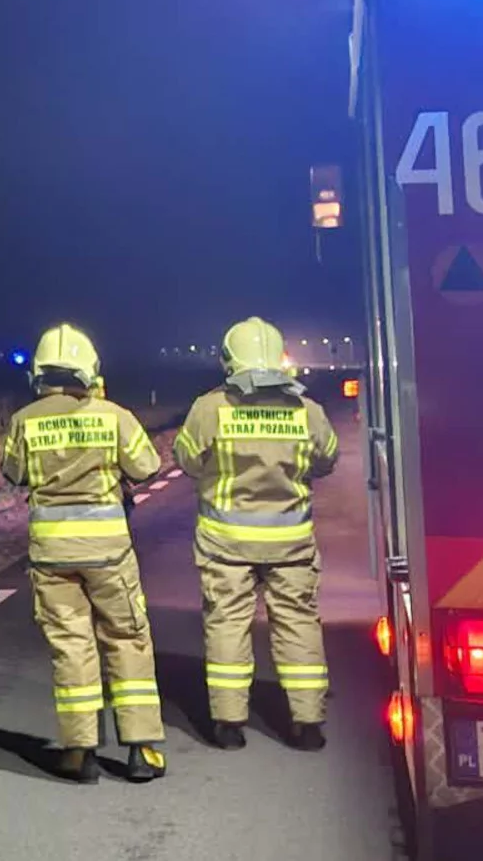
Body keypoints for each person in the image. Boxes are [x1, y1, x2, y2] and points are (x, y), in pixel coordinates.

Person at [1, 323, 167, 783]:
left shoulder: (24, 420)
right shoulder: (112, 415)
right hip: (109, 552)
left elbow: (13, 473)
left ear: (38, 373)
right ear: (89, 370)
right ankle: (141, 751)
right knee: (127, 638)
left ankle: (79, 752)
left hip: (52, 555)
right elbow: (148, 467)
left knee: (71, 646)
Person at [174, 317, 340, 752]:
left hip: (225, 543)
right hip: (291, 542)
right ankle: (307, 725)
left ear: (230, 360)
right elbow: (327, 459)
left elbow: (187, 459)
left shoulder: (210, 408)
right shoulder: (308, 411)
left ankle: (229, 725)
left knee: (228, 623)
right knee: (299, 624)